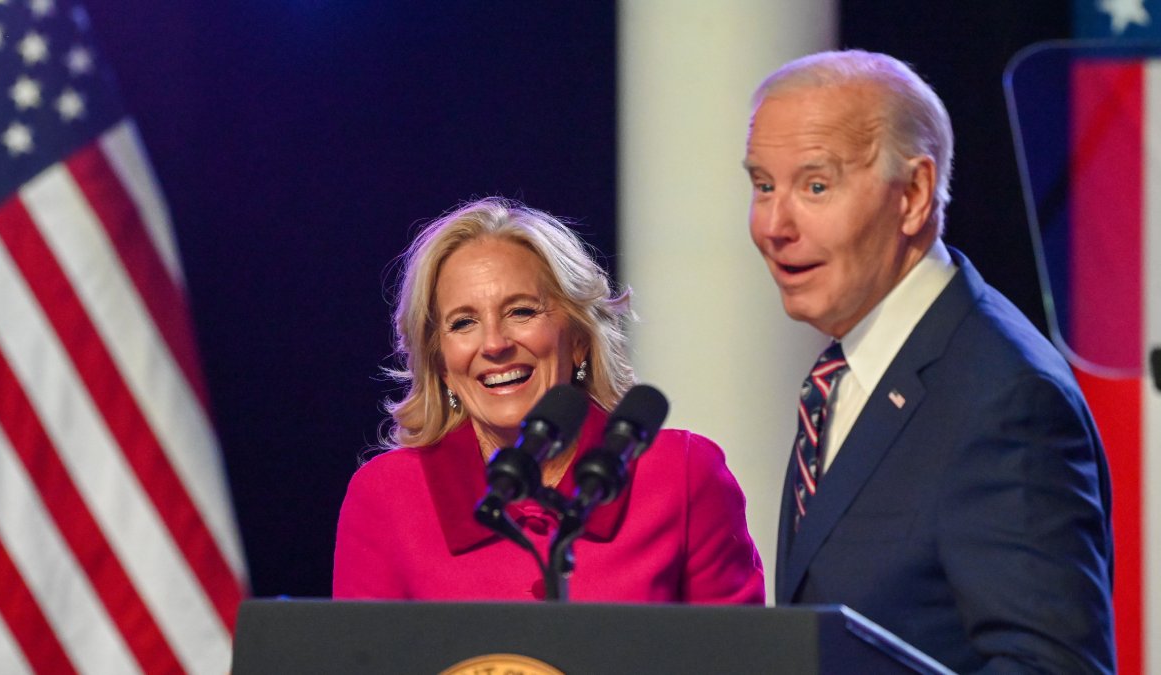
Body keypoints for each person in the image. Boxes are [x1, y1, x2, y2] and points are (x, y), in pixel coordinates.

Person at [744, 50, 1115, 672]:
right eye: (762, 185)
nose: (774, 225)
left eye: (815, 186)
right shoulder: (851, 369)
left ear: (913, 194)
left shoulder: (1005, 398)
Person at [333, 196, 765, 603]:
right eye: (463, 322)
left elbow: (744, 658)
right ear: (441, 362)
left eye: (521, 311)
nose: (495, 344)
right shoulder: (387, 497)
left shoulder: (683, 476)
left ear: (578, 339)